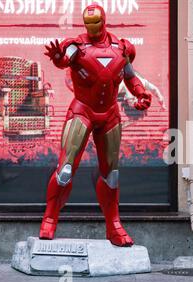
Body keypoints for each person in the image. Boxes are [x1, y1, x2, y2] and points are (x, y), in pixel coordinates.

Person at [39, 3, 152, 247]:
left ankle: (114, 226)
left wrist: (141, 93)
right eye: (88, 24)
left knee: (111, 174)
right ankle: (49, 219)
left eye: (95, 23)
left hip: (110, 113)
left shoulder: (121, 48)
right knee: (66, 168)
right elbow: (64, 59)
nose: (92, 28)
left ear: (103, 21)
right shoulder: (76, 47)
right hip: (82, 110)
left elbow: (130, 74)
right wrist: (59, 58)